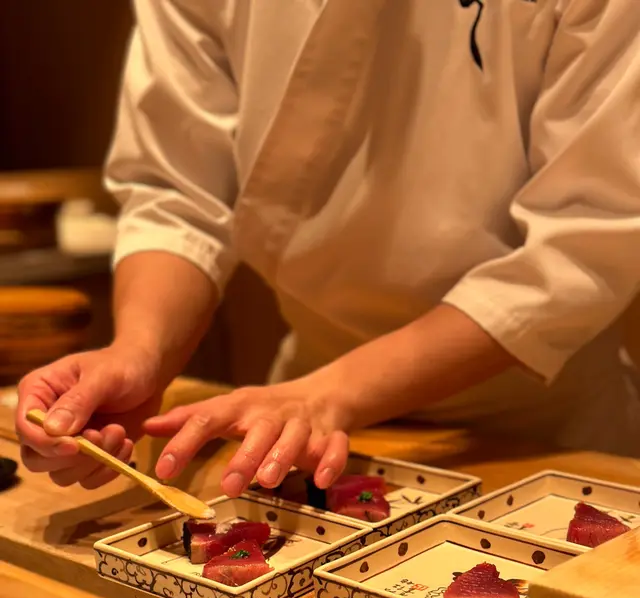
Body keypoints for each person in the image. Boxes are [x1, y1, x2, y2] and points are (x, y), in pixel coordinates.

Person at [16, 0, 640, 497]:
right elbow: (177, 193)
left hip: (543, 429)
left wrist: (329, 394)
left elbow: (583, 238)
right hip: (299, 419)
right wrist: (140, 352)